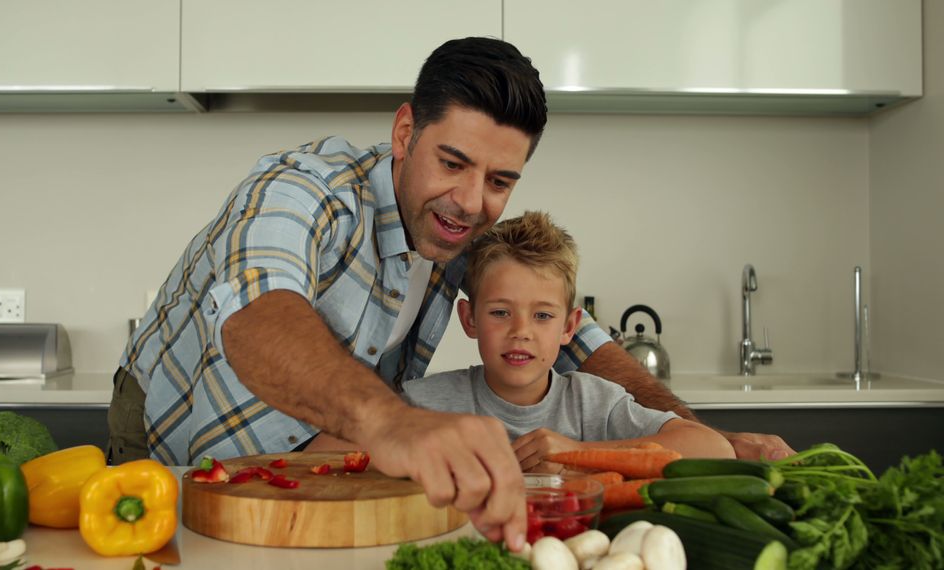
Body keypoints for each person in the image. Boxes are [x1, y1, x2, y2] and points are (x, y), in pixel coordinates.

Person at [108, 36, 792, 551]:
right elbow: (256, 317)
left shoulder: (459, 228)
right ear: (407, 133)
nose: (470, 201)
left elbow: (577, 338)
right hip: (179, 435)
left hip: (315, 464)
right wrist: (394, 425)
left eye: (500, 180)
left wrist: (701, 441)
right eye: (454, 163)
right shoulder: (303, 188)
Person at [409, 211, 735, 467]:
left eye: (542, 316)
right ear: (469, 318)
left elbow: (713, 449)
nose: (521, 331)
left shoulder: (594, 403)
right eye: (500, 313)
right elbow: (360, 444)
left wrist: (577, 453)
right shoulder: (427, 403)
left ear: (569, 326)